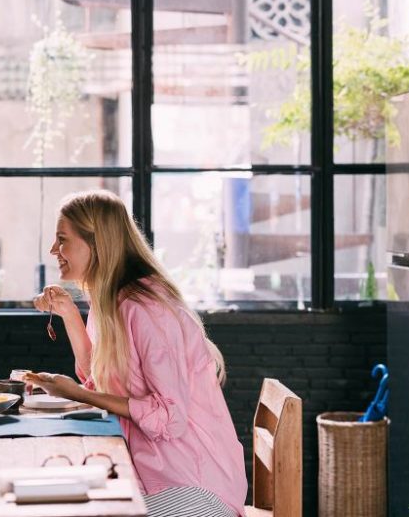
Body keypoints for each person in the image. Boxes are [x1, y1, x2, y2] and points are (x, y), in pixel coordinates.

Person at [24, 190, 247, 517]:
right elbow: (98, 378)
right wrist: (70, 315)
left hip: (194, 486)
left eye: (62, 239)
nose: (53, 250)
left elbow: (170, 419)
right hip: (150, 473)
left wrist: (78, 395)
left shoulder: (145, 308)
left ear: (96, 243)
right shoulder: (109, 299)